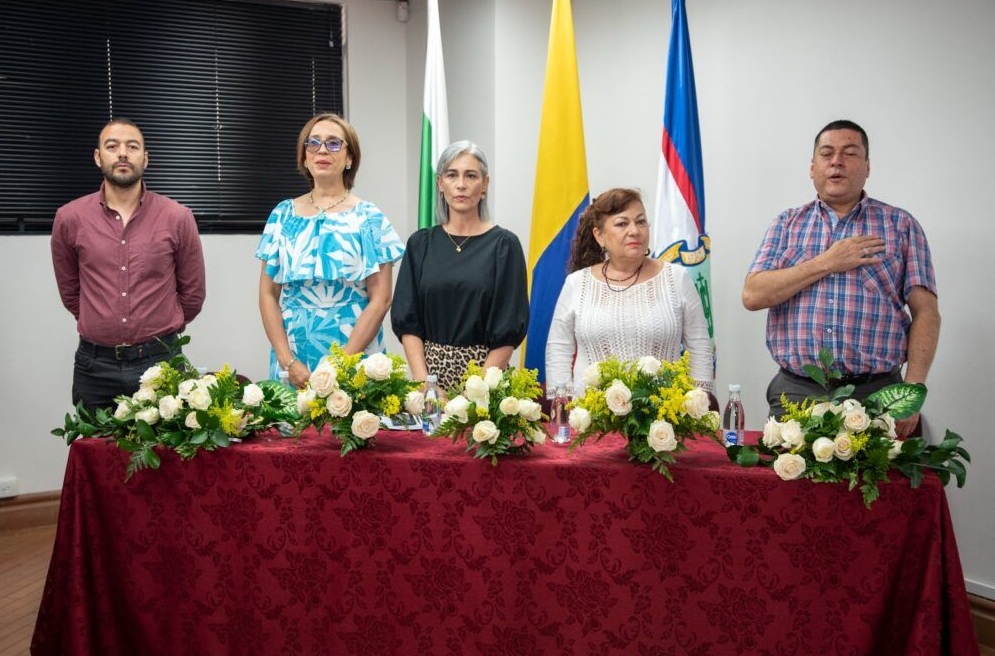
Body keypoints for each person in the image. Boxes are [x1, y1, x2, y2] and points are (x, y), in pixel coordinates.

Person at [743, 119, 939, 437]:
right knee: (789, 487)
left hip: (878, 395)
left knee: (884, 487)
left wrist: (913, 390)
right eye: (827, 153)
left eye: (849, 153)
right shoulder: (786, 224)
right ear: (812, 166)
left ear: (867, 166)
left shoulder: (901, 225)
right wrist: (826, 262)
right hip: (797, 394)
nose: (836, 161)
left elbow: (926, 312)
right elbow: (752, 295)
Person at [51, 118, 206, 412]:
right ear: (99, 157)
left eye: (132, 147)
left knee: (166, 457)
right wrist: (101, 322)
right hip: (94, 367)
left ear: (145, 158)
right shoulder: (70, 218)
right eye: (112, 146)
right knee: (96, 454)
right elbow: (71, 291)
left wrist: (159, 333)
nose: (122, 153)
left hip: (161, 362)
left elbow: (193, 294)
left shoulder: (177, 217)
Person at [257, 113, 404, 387]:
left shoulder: (369, 218)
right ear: (304, 157)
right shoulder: (281, 215)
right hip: (293, 360)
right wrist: (287, 360)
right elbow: (267, 294)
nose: (322, 150)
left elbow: (381, 299)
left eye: (334, 143)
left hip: (354, 358)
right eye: (313, 143)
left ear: (350, 158)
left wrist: (340, 365)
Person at [546, 188, 714, 396]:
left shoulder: (676, 278)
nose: (634, 231)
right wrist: (562, 407)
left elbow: (699, 348)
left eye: (641, 221)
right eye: (622, 223)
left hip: (663, 420)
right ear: (600, 236)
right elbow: (558, 351)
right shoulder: (577, 283)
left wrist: (699, 405)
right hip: (590, 419)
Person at [391, 141, 529, 393]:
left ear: (485, 185)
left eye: (471, 175)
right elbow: (407, 319)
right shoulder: (420, 244)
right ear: (440, 184)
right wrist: (425, 384)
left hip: (487, 379)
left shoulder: (504, 245)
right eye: (452, 175)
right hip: (428, 379)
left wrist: (475, 391)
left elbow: (508, 327)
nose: (461, 184)